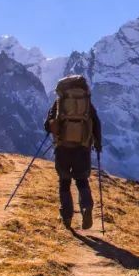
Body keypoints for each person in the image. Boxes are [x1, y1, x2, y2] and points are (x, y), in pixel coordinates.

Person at [44, 74, 103, 230]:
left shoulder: (59, 103)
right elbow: (96, 123)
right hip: (82, 148)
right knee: (81, 180)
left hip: (63, 147)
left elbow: (47, 125)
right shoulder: (87, 104)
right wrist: (98, 143)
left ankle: (67, 216)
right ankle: (86, 207)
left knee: (64, 182)